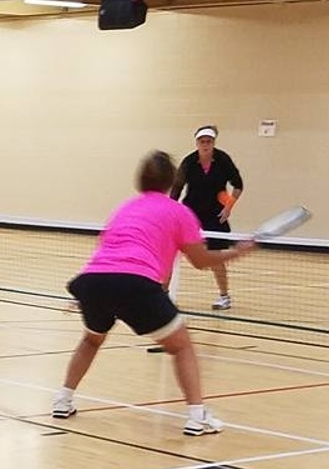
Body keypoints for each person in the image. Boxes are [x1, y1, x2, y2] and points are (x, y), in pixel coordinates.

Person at [53, 150, 256, 436]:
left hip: (93, 281)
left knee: (91, 339)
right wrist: (236, 252)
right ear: (172, 181)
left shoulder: (124, 208)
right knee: (181, 345)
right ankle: (197, 417)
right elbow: (200, 261)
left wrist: (86, 296)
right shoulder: (180, 212)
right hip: (136, 283)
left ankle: (63, 400)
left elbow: (107, 253)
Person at [170, 125, 244, 310]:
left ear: (214, 143)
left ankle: (224, 297)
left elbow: (238, 185)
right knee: (172, 251)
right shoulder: (188, 162)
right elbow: (176, 189)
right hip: (190, 213)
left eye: (209, 141)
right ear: (197, 143)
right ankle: (165, 295)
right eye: (202, 141)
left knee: (217, 256)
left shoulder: (223, 160)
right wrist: (172, 211)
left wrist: (228, 207)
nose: (205, 145)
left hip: (215, 214)